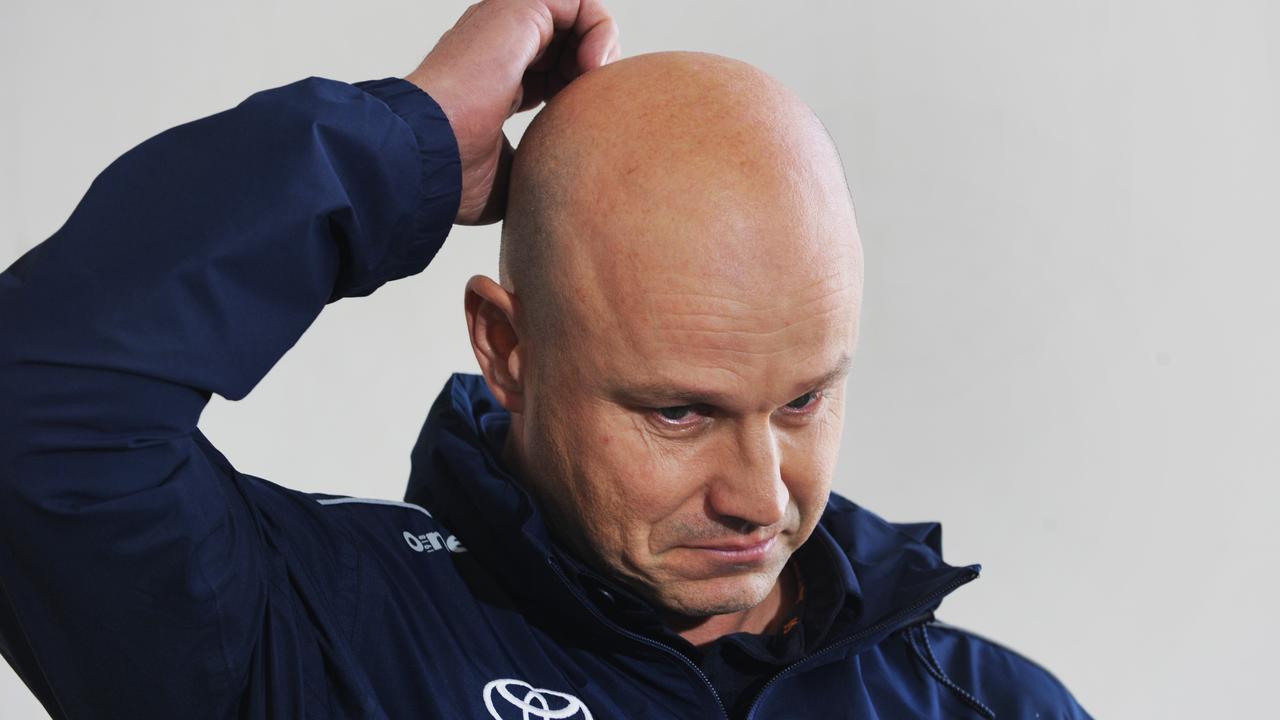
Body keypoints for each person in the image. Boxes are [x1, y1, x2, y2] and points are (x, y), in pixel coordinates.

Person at [0, 1, 1092, 718]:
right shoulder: (314, 635)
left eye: (803, 399)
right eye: (679, 413)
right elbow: (35, 409)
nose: (761, 496)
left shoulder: (988, 704)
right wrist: (406, 144)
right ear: (507, 348)